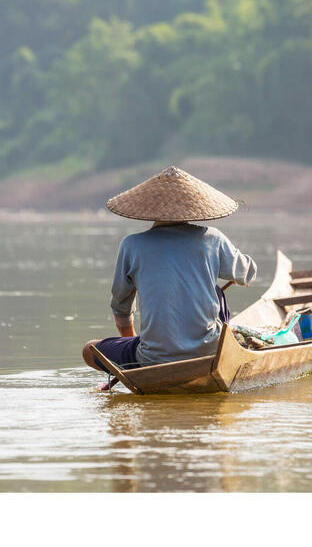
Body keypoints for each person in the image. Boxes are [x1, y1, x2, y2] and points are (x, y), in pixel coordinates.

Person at [82, 166, 256, 389]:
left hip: (152, 358)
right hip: (210, 351)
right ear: (195, 208)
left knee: (89, 350)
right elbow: (247, 273)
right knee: (217, 294)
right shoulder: (212, 238)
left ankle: (139, 360)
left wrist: (137, 355)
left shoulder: (132, 245)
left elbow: (121, 311)